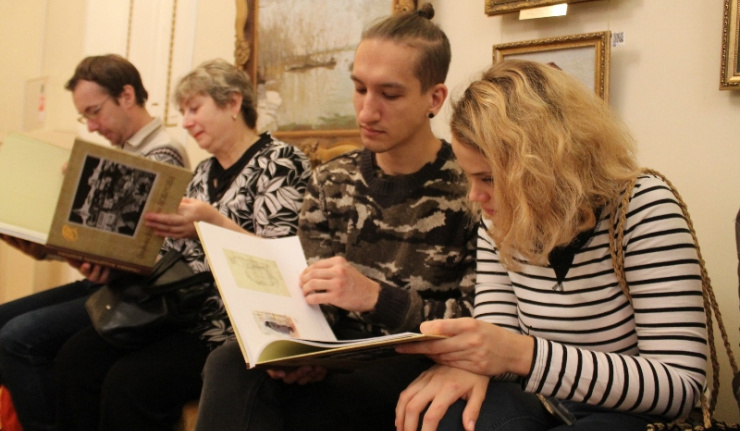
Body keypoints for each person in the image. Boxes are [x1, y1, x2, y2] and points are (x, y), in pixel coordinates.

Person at [193, 4, 477, 431]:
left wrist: (376, 297)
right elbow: (311, 297)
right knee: (229, 362)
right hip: (340, 353)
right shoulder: (333, 179)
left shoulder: (471, 187)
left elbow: (480, 320)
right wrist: (303, 353)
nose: (366, 112)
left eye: (390, 94)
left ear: (434, 99)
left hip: (415, 361)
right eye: (359, 89)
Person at [394, 59, 709, 431]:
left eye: (489, 178)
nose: (475, 196)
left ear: (545, 165)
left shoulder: (643, 207)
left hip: (629, 413)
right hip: (542, 400)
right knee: (449, 416)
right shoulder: (496, 220)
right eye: (470, 176)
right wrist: (470, 363)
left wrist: (522, 355)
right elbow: (497, 336)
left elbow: (679, 385)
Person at [53, 58, 311, 431]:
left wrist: (212, 224)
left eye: (194, 109)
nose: (186, 122)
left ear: (233, 103)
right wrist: (111, 261)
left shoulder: (281, 162)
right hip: (182, 308)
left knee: (129, 384)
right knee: (76, 359)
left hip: (233, 322)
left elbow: (281, 262)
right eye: (183, 112)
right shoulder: (203, 172)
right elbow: (173, 254)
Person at [0, 53, 190, 431]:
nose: (91, 125)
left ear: (126, 96)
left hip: (137, 293)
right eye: (83, 117)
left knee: (17, 338)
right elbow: (104, 241)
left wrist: (92, 256)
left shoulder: (162, 154)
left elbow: (150, 251)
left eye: (95, 112)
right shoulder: (124, 151)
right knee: (4, 321)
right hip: (110, 283)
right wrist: (47, 247)